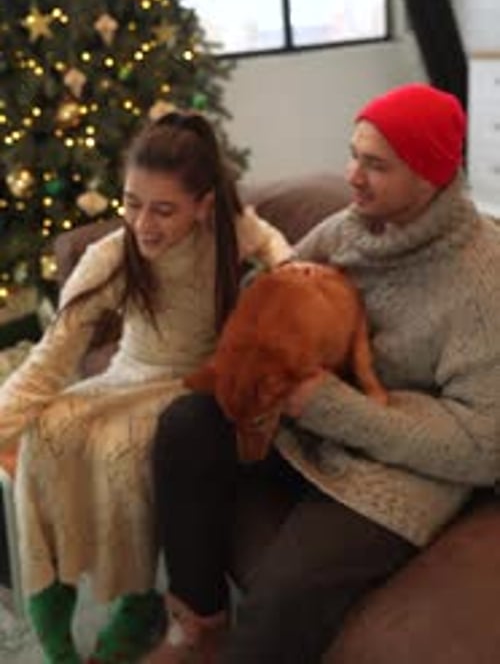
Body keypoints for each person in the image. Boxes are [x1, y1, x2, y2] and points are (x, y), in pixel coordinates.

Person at [147, 83, 500, 664]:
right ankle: (199, 627)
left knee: (280, 599)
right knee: (186, 424)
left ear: (431, 175)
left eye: (375, 165)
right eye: (354, 155)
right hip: (310, 423)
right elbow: (274, 295)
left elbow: (483, 447)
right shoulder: (347, 229)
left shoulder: (479, 284)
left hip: (398, 470)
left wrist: (330, 404)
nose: (352, 176)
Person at [0, 110, 292, 664]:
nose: (143, 225)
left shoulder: (229, 231)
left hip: (191, 385)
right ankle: (50, 602)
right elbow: (49, 359)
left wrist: (288, 267)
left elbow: (275, 245)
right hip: (128, 372)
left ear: (204, 205)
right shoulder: (110, 257)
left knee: (124, 450)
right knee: (47, 431)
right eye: (131, 204)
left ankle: (138, 605)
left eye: (163, 210)